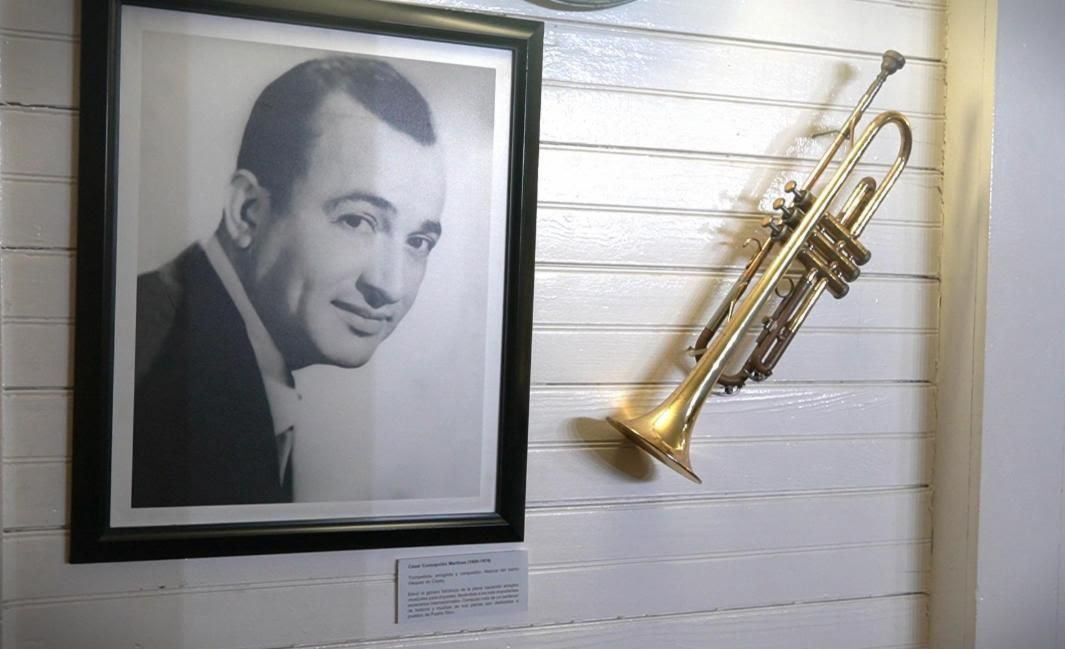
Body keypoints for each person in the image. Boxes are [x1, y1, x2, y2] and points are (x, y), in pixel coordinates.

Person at [131, 56, 446, 507]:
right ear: (247, 212)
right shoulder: (150, 369)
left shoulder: (219, 357)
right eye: (357, 220)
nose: (389, 286)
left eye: (417, 241)